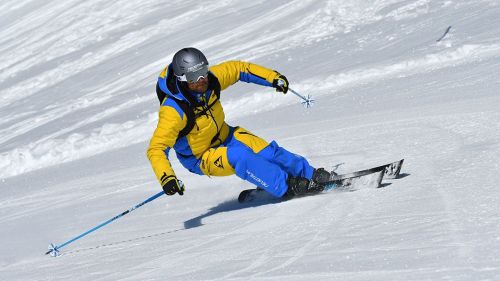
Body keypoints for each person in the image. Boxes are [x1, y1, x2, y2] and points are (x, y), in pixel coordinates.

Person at [147, 47, 331, 199]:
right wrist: (167, 178)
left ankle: (309, 174)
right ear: (182, 80)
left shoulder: (211, 81)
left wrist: (272, 78)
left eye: (203, 72)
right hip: (201, 157)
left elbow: (238, 69)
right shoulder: (173, 110)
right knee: (241, 157)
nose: (201, 80)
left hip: (226, 135)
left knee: (267, 152)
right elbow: (157, 148)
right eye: (194, 78)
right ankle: (286, 186)